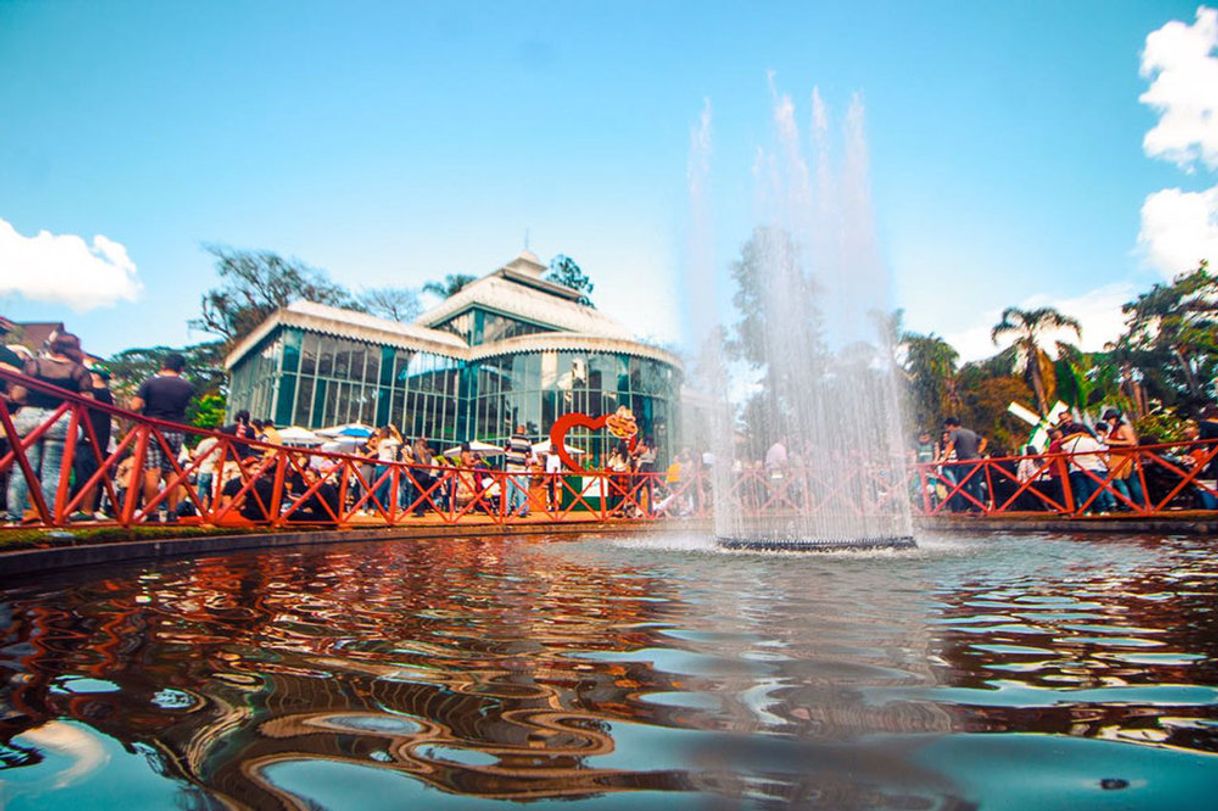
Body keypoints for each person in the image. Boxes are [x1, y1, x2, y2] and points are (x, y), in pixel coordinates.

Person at [4, 334, 93, 524]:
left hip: (30, 416)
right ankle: (49, 516)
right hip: (59, 418)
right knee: (52, 470)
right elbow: (87, 401)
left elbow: (18, 393)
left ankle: (13, 516)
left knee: (23, 469)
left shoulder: (34, 365)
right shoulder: (79, 371)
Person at [130, 352, 194, 521]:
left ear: (163, 366)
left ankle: (153, 512)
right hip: (176, 431)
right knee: (172, 471)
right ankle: (173, 513)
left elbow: (135, 406)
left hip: (153, 429)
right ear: (181, 369)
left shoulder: (150, 383)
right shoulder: (187, 386)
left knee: (152, 472)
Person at [71, 367, 115, 520]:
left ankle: (86, 509)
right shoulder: (106, 394)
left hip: (90, 438)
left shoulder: (98, 393)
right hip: (96, 439)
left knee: (87, 474)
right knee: (88, 473)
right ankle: (83, 508)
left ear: (94, 377)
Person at [1101, 408, 1144, 510]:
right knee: (1126, 481)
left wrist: (1112, 442)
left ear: (1115, 418)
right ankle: (1133, 503)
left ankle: (1138, 503)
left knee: (1129, 480)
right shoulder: (1116, 429)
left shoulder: (1124, 428)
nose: (1108, 422)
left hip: (1124, 457)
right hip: (1117, 457)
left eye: (1109, 420)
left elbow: (1132, 442)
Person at [942, 417, 986, 512]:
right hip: (977, 462)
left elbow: (950, 444)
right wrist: (978, 451)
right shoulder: (970, 432)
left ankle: (964, 505)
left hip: (966, 463)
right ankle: (979, 506)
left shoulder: (955, 433)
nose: (947, 430)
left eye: (947, 427)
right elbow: (984, 441)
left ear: (951, 425)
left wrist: (944, 458)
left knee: (960, 485)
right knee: (976, 485)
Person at [504, 424, 533, 517]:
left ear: (517, 430)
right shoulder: (527, 441)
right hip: (520, 467)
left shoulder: (511, 438)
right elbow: (529, 454)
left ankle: (507, 510)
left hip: (511, 465)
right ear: (524, 431)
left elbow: (506, 449)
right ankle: (521, 511)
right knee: (521, 490)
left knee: (509, 489)